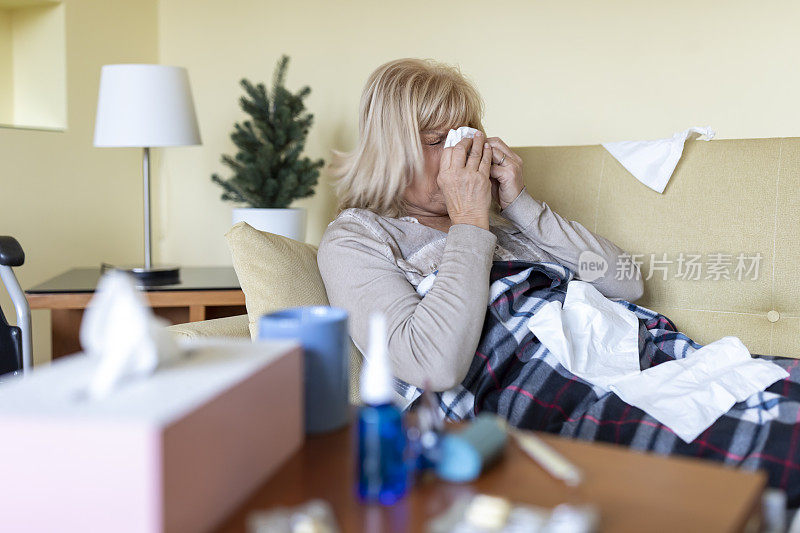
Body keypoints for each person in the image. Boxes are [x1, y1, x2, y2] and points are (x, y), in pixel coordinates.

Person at [318, 58, 643, 393]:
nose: (458, 155)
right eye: (435, 140)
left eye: (464, 138)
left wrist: (521, 205)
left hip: (630, 361)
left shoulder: (502, 222)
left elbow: (627, 283)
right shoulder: (357, 238)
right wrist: (470, 222)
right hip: (551, 392)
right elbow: (432, 366)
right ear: (389, 154)